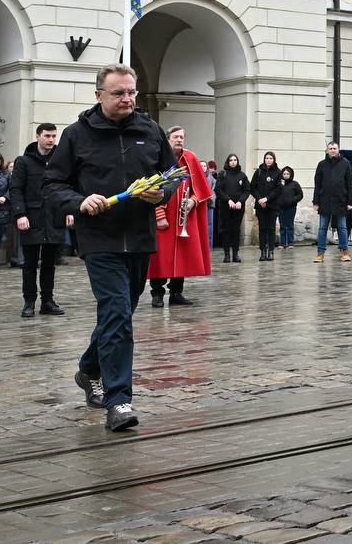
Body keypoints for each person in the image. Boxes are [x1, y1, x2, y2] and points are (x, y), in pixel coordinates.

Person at [44, 63, 178, 432]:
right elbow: (53, 186)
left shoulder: (150, 130)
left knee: (119, 314)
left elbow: (172, 176)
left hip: (139, 236)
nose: (127, 99)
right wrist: (80, 201)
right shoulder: (76, 135)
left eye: (132, 92)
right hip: (99, 239)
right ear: (99, 94)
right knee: (117, 310)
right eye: (119, 93)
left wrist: (160, 192)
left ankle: (89, 369)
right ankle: (119, 401)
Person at [149, 125, 213, 306]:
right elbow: (150, 189)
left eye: (182, 137)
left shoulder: (190, 157)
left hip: (184, 217)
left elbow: (201, 188)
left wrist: (194, 200)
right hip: (164, 217)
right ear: (167, 139)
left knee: (182, 257)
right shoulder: (157, 157)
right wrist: (158, 214)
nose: (179, 140)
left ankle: (176, 293)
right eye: (175, 137)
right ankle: (157, 294)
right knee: (160, 258)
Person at [11, 123, 70, 318]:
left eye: (54, 136)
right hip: (32, 218)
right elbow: (16, 189)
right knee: (29, 264)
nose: (51, 140)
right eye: (47, 136)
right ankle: (29, 302)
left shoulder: (61, 160)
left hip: (54, 218)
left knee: (49, 264)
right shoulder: (24, 162)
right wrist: (20, 214)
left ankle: (47, 301)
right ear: (38, 136)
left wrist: (70, 209)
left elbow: (68, 186)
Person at [313, 142, 352, 263]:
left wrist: (350, 201)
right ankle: (320, 253)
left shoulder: (345, 163)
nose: (333, 150)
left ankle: (345, 252)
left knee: (342, 227)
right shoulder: (321, 164)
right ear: (327, 150)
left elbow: (349, 184)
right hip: (324, 200)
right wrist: (316, 201)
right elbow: (317, 184)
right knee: (322, 228)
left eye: (335, 148)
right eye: (330, 149)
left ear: (338, 150)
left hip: (341, 200)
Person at [214, 154, 249, 263]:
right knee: (226, 230)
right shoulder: (222, 174)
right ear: (228, 162)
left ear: (237, 162)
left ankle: (235, 254)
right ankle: (227, 254)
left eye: (235, 160)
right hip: (226, 206)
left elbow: (247, 190)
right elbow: (218, 190)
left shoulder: (242, 176)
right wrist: (228, 200)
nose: (233, 162)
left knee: (236, 230)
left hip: (238, 207)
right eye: (231, 160)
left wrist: (240, 201)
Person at [250, 151, 283, 262]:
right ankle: (263, 251)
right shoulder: (259, 172)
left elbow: (279, 189)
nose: (268, 160)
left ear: (274, 160)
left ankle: (271, 251)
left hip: (272, 205)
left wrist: (267, 198)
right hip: (260, 206)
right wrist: (259, 199)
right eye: (266, 158)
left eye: (270, 158)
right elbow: (252, 187)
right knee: (262, 228)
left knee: (271, 228)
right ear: (264, 159)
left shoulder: (278, 172)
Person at [278, 166, 303, 251]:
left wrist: (292, 200)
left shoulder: (295, 184)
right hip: (281, 207)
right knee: (282, 225)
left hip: (291, 207)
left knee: (289, 225)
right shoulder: (279, 184)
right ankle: (282, 243)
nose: (286, 175)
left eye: (287, 174)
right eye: (284, 174)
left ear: (291, 174)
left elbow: (300, 195)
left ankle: (290, 242)